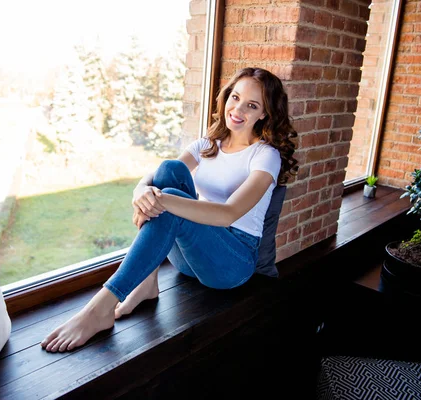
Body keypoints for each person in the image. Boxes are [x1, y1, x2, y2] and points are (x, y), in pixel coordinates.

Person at [41, 67, 298, 353]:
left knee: (169, 197)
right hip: (191, 260)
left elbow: (228, 214)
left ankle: (100, 308)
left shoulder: (265, 155)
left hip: (232, 263)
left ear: (264, 113)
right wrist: (141, 191)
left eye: (251, 105)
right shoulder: (206, 145)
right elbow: (155, 178)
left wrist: (162, 200)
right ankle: (147, 283)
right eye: (234, 98)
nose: (237, 110)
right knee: (169, 169)